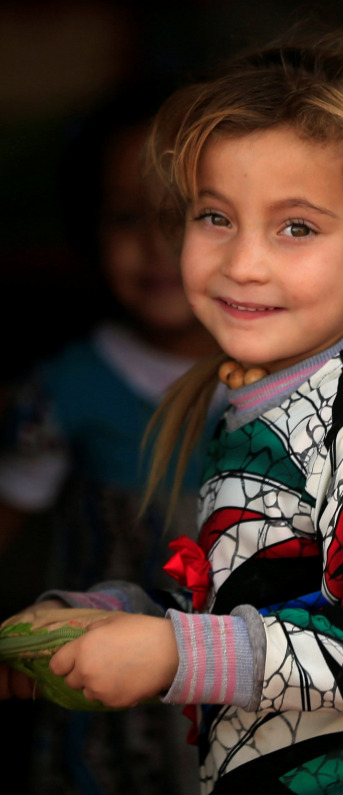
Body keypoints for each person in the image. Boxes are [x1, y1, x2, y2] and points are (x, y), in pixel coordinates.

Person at [0, 37, 343, 795]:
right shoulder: (251, 404)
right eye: (214, 217)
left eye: (295, 227)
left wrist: (175, 655)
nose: (243, 262)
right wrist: (118, 613)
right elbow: (252, 600)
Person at [0, 84, 222, 793]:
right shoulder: (66, 387)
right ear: (87, 230)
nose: (156, 245)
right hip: (105, 681)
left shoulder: (282, 381)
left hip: (236, 671)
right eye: (128, 217)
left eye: (184, 217)